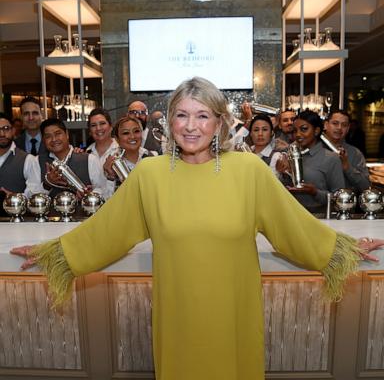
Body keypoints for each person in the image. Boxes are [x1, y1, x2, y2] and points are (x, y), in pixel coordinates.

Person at [11, 77, 383, 380]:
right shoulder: (151, 174)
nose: (192, 127)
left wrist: (342, 248)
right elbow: (108, 231)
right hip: (179, 321)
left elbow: (294, 227)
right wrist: (56, 252)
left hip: (235, 318)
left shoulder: (248, 171)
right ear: (169, 122)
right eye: (182, 116)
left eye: (203, 116)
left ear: (220, 122)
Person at [278, 110, 345, 213]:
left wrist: (315, 192)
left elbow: (340, 198)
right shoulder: (292, 155)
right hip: (293, 215)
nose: (298, 134)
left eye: (304, 129)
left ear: (316, 131)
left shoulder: (331, 159)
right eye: (295, 131)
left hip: (320, 218)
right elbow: (285, 191)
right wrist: (283, 173)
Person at [38, 118, 108, 199]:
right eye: (48, 136)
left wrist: (90, 194)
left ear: (67, 134)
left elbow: (103, 190)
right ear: (43, 140)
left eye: (58, 134)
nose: (54, 139)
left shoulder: (89, 159)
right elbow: (32, 195)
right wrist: (47, 184)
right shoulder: (37, 161)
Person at [0, 112, 44, 213]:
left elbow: (35, 195)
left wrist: (15, 198)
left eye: (6, 128)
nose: (2, 134)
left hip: (16, 223)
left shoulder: (28, 160)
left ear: (13, 130)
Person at [103, 116, 157, 193]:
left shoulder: (153, 157)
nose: (132, 136)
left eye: (136, 131)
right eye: (126, 133)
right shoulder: (111, 163)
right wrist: (110, 178)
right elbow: (107, 199)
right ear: (117, 139)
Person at [323, 110, 370, 193]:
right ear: (326, 125)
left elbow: (366, 186)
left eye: (344, 125)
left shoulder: (355, 153)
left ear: (348, 129)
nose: (339, 128)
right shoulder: (314, 148)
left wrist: (347, 167)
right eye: (335, 123)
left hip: (346, 203)